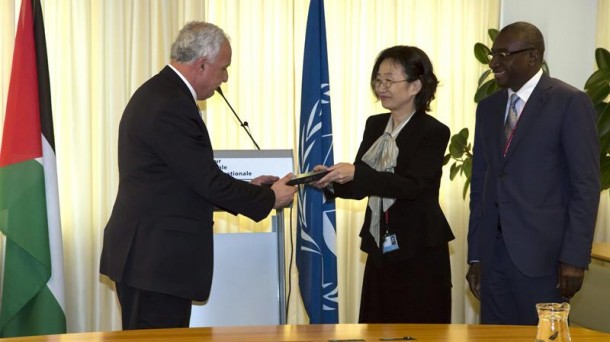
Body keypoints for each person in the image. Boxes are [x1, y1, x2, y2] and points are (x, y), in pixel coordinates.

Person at [99, 21, 296, 330]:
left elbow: (183, 181)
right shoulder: (169, 104)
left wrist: (249, 188)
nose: (225, 78)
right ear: (202, 64)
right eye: (223, 69)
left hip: (152, 261)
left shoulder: (163, 93)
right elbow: (207, 181)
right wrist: (270, 197)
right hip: (154, 263)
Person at [466, 21, 600, 325]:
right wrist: (476, 255)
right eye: (492, 53)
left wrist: (575, 258)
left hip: (545, 261)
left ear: (533, 57)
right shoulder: (487, 108)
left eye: (504, 54)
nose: (494, 62)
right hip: (493, 257)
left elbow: (585, 186)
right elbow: (480, 184)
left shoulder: (569, 102)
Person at [314, 45, 454, 323]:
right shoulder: (375, 124)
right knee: (377, 323)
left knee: (419, 326)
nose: (381, 87)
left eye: (389, 80)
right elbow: (363, 183)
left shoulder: (433, 131)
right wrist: (330, 180)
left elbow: (412, 186)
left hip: (419, 246)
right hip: (380, 244)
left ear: (415, 86)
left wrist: (356, 173)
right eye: (378, 79)